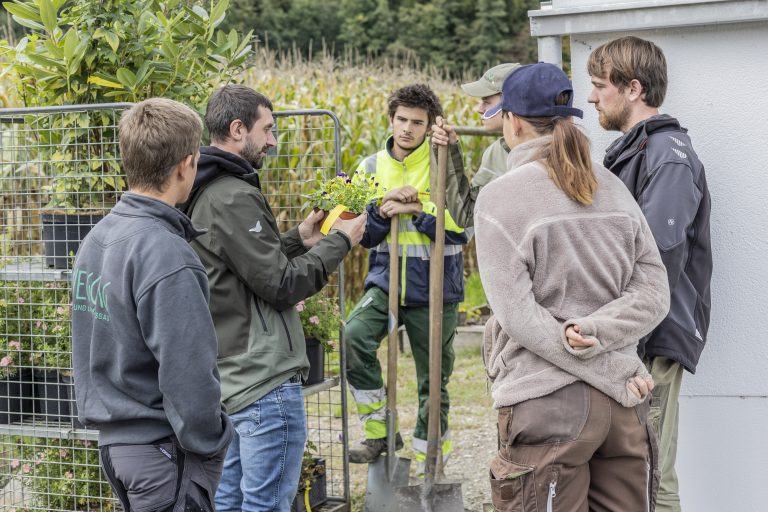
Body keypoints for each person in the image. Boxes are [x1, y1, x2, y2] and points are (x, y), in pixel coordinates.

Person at [474, 63, 671, 511]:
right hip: (623, 404)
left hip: (546, 405)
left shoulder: (500, 197)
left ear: (514, 120)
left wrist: (581, 340)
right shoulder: (614, 188)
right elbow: (655, 294)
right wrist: (603, 343)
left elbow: (518, 317)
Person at [181, 85, 367, 511]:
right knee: (266, 505)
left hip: (231, 380)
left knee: (227, 502)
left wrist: (301, 239)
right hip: (262, 382)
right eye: (267, 130)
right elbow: (282, 286)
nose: (272, 141)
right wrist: (339, 241)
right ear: (236, 128)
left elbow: (245, 268)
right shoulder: (232, 195)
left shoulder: (206, 191)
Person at [72, 98, 233, 511]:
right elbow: (188, 371)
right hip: (163, 454)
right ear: (186, 165)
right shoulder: (167, 253)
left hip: (119, 449)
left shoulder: (98, 238)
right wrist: (211, 442)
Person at [587, 36, 712, 512]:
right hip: (634, 332)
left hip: (652, 337)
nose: (593, 97)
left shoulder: (668, 156)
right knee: (633, 468)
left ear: (633, 88)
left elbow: (659, 258)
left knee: (650, 470)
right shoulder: (637, 151)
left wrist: (623, 334)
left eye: (600, 86)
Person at [345, 84, 469, 472]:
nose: (407, 129)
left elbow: (461, 229)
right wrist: (382, 213)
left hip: (435, 286)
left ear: (429, 125)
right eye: (402, 120)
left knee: (433, 382)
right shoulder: (368, 167)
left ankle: (428, 462)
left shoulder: (440, 162)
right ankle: (380, 431)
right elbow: (361, 236)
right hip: (386, 282)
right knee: (351, 338)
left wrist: (417, 209)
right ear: (391, 119)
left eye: (418, 122)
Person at [441, 62, 521, 227]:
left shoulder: (551, 151)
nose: (479, 109)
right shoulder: (494, 152)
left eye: (487, 102)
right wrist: (450, 152)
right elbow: (468, 215)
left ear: (510, 101)